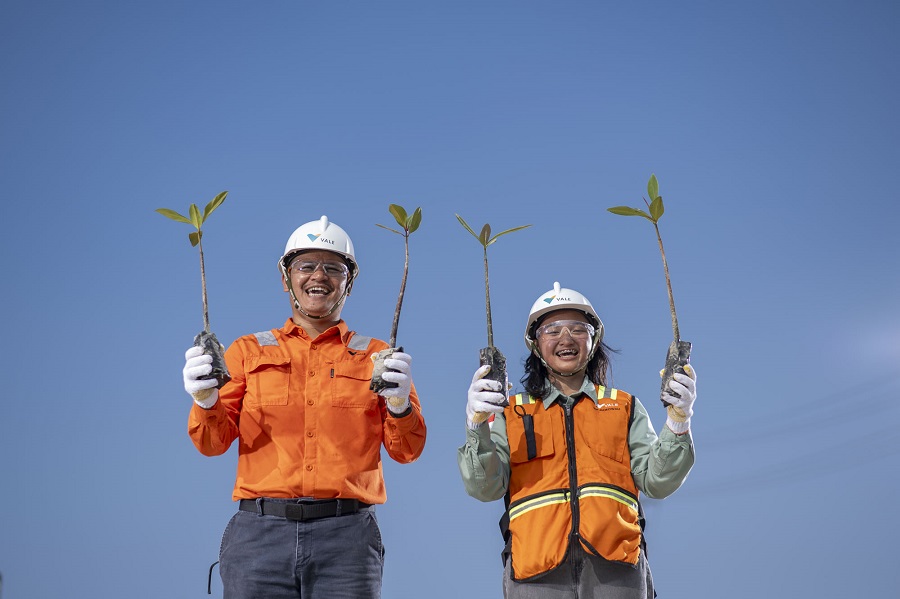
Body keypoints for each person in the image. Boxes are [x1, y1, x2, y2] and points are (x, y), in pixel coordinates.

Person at [182, 215, 427, 599]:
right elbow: (212, 443)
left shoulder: (378, 356)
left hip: (347, 541)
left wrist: (399, 405)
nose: (319, 276)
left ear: (349, 283)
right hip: (260, 538)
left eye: (333, 268)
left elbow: (407, 450)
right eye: (306, 265)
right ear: (286, 279)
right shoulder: (248, 351)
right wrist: (206, 400)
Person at [457, 282, 696, 599]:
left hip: (616, 570)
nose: (566, 338)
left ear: (594, 341)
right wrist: (477, 425)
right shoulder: (510, 412)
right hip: (535, 573)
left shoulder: (623, 407)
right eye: (552, 329)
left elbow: (657, 482)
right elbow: (483, 487)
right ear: (535, 344)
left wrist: (678, 420)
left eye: (578, 329)